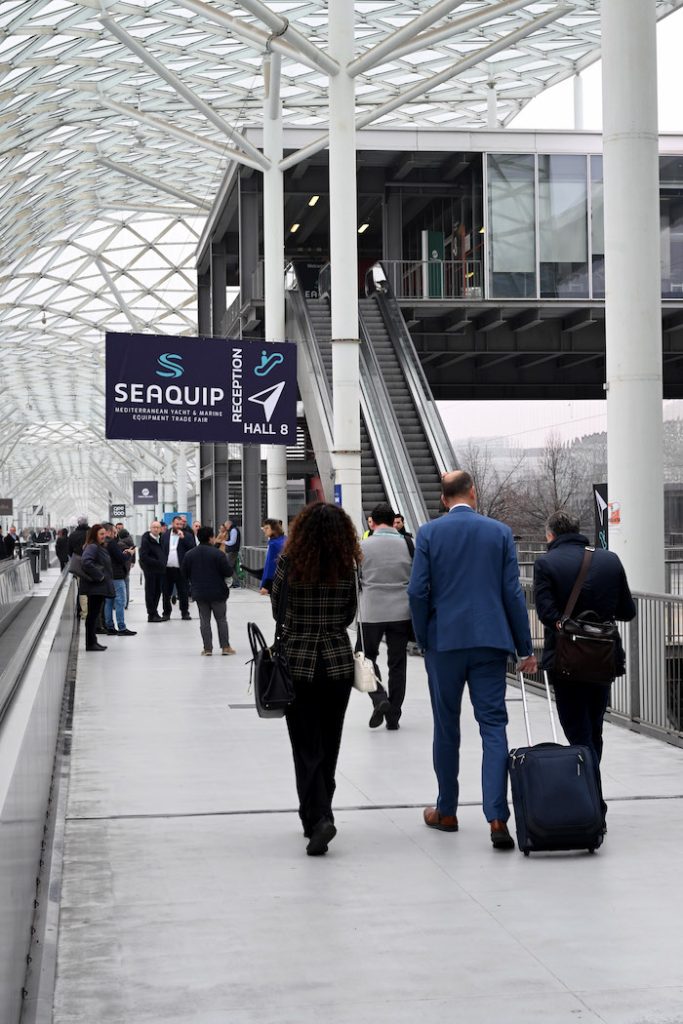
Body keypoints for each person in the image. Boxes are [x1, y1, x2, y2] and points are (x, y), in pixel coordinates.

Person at [408, 470, 537, 850]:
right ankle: (497, 818)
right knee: (493, 726)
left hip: (444, 642)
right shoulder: (499, 533)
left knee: (446, 726)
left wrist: (424, 637)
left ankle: (446, 811)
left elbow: (417, 591)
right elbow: (512, 593)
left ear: (443, 499)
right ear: (473, 493)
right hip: (490, 642)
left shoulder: (428, 534)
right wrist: (525, 648)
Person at [533, 510, 636, 826]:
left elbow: (546, 613)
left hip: (567, 661)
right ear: (577, 530)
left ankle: (593, 804)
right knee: (593, 729)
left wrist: (568, 624)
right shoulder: (609, 560)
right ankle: (592, 795)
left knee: (578, 732)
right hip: (603, 659)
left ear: (550, 535)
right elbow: (627, 611)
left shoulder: (546, 564)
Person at [271, 502, 359, 857]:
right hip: (337, 663)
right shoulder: (347, 565)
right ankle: (321, 812)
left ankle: (317, 817)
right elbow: (350, 612)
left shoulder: (289, 563)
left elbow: (278, 610)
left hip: (298, 662)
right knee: (330, 742)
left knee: (305, 745)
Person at [357, 503, 413, 731]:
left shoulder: (362, 546)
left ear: (372, 522)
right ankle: (394, 716)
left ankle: (379, 697)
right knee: (398, 663)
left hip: (371, 610)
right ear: (393, 521)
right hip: (402, 611)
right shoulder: (409, 544)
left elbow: (356, 578)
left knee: (364, 656)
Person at [181, 526, 235, 655]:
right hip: (218, 593)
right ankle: (225, 647)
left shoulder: (190, 554)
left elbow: (183, 573)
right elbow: (228, 572)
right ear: (211, 538)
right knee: (221, 620)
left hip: (199, 593)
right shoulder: (218, 554)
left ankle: (207, 649)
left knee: (204, 621)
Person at [80, 524, 115, 652]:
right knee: (92, 615)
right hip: (95, 587)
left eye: (104, 534)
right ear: (94, 535)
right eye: (101, 534)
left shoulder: (98, 547)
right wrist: (100, 576)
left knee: (93, 615)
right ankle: (90, 643)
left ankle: (93, 641)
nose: (104, 536)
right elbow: (86, 562)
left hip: (98, 587)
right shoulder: (93, 547)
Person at [102, 523, 136, 636]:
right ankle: (122, 627)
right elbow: (120, 559)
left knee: (108, 602)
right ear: (108, 532)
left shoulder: (102, 543)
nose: (115, 534)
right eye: (114, 531)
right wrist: (129, 553)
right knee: (120, 601)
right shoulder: (112, 543)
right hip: (116, 575)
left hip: (107, 576)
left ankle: (110, 627)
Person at [160, 515, 194, 619]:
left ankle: (185, 612)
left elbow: (192, 548)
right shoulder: (165, 535)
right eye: (177, 524)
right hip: (167, 569)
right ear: (172, 524)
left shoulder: (188, 536)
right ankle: (166, 613)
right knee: (166, 592)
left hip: (181, 569)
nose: (179, 526)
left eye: (181, 524)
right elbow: (161, 549)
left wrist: (183, 538)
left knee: (183, 592)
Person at [139, 520, 166, 622]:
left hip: (160, 570)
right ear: (150, 528)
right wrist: (157, 562)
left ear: (160, 529)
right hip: (150, 570)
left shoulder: (161, 539)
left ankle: (155, 612)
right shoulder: (146, 540)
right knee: (151, 592)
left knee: (158, 592)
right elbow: (143, 557)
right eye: (154, 527)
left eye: (158, 527)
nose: (156, 529)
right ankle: (151, 614)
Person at [259, 518, 286, 594]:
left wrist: (265, 585)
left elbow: (270, 565)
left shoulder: (273, 544)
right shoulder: (285, 539)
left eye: (267, 528)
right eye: (264, 528)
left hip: (277, 580)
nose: (264, 530)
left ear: (274, 529)